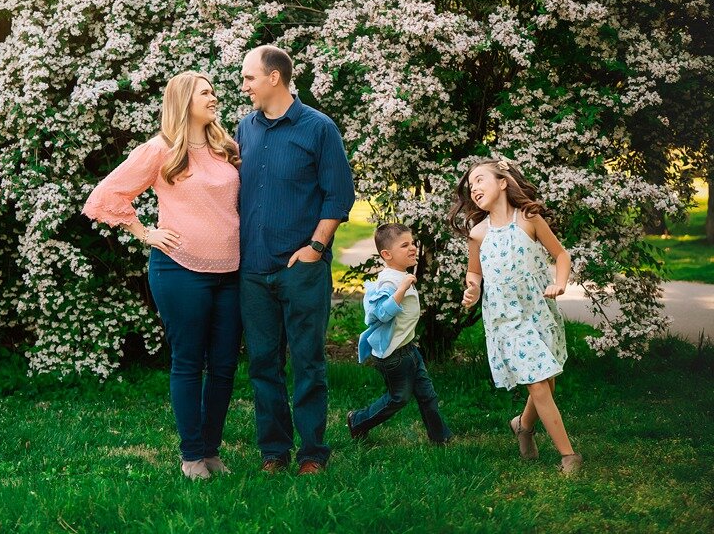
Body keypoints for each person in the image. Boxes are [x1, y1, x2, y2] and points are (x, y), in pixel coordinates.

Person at [82, 71, 242, 481]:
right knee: (189, 362)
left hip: (230, 272)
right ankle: (191, 456)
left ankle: (211, 450)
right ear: (184, 100)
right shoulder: (161, 149)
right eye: (206, 92)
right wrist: (144, 232)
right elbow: (105, 195)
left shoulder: (225, 147)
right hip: (179, 269)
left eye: (213, 91)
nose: (214, 97)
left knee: (224, 366)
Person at [236, 45, 355, 475]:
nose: (244, 85)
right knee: (264, 365)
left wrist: (316, 249)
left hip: (301, 268)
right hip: (252, 270)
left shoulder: (318, 128)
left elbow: (339, 195)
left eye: (249, 77)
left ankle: (312, 454)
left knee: (308, 362)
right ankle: (273, 452)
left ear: (274, 78)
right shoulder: (243, 128)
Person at [448, 158, 583, 474]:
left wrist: (559, 283)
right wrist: (472, 289)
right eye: (471, 185)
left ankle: (523, 426)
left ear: (503, 182)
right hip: (505, 318)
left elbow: (561, 254)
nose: (475, 188)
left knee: (546, 382)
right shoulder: (478, 233)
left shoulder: (529, 219)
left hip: (538, 309)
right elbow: (474, 272)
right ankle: (569, 456)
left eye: (480, 180)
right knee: (537, 385)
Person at [346, 224, 452, 444]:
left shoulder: (400, 274)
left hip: (409, 349)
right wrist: (402, 289)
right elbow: (381, 314)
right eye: (405, 245)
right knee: (398, 398)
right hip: (393, 356)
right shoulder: (388, 281)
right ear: (387, 254)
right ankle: (357, 421)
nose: (413, 248)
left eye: (412, 243)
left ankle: (440, 438)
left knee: (427, 395)